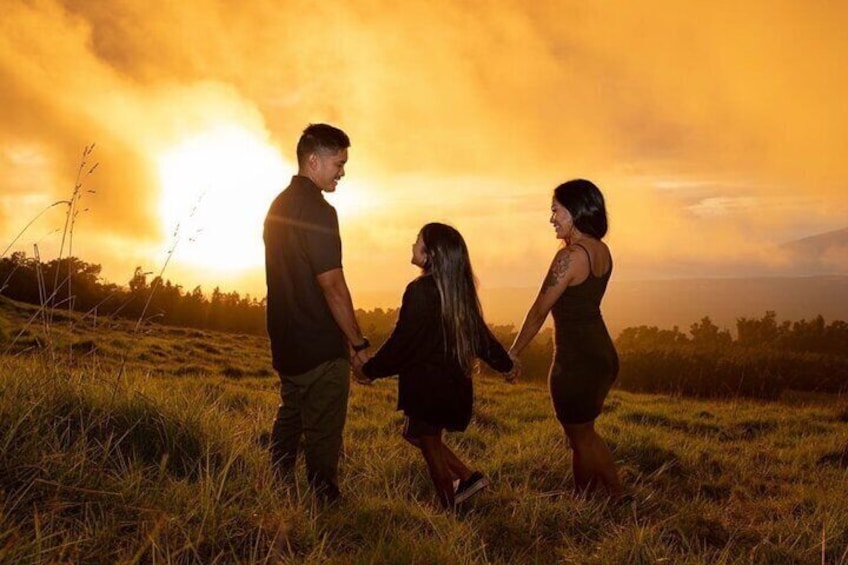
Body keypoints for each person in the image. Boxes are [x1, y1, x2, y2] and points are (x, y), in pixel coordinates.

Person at [353, 223, 514, 509]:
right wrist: (506, 365)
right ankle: (467, 478)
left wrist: (369, 370)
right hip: (452, 383)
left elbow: (403, 343)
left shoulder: (419, 290)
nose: (412, 244)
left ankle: (449, 509)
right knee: (415, 434)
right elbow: (481, 337)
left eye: (417, 240)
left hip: (426, 386)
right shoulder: (457, 290)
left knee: (428, 443)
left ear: (430, 254)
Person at [263, 123, 370, 502]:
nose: (343, 171)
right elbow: (333, 286)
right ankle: (324, 502)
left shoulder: (278, 206)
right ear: (314, 160)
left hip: (286, 342)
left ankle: (274, 486)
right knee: (324, 432)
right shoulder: (320, 211)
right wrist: (357, 343)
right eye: (338, 163)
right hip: (319, 346)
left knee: (291, 413)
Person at [508, 179, 624, 498]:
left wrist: (513, 353)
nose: (552, 219)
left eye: (555, 210)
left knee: (580, 436)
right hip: (601, 353)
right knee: (584, 433)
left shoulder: (569, 257)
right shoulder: (602, 250)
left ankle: (613, 495)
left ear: (575, 211)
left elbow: (538, 311)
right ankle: (590, 496)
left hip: (577, 360)